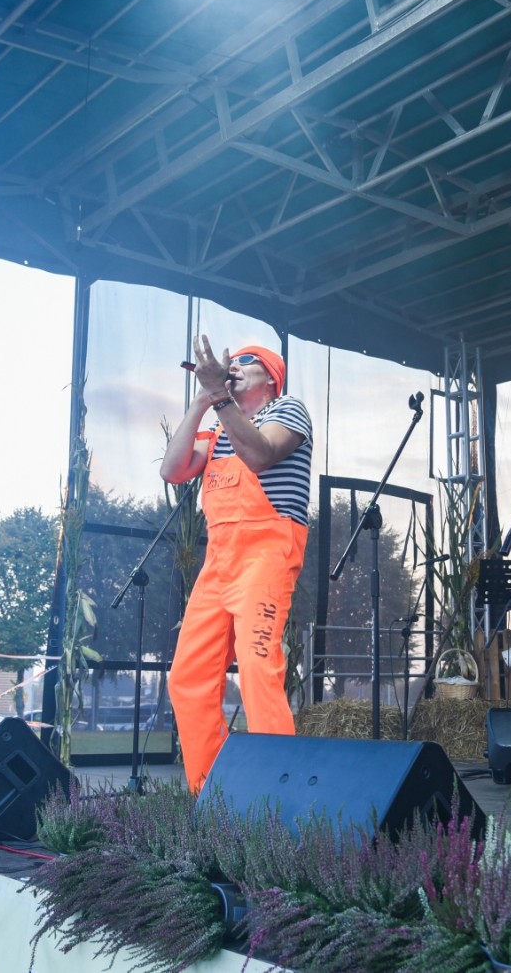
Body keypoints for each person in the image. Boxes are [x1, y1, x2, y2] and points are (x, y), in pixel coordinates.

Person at [161, 338, 312, 793]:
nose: (236, 365)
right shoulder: (218, 428)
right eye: (234, 361)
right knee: (187, 677)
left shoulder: (287, 411)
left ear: (272, 379)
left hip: (266, 553)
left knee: (258, 668)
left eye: (248, 362)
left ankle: (277, 796)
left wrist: (219, 396)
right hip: (219, 560)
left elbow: (261, 454)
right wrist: (202, 399)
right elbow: (173, 470)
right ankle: (212, 793)